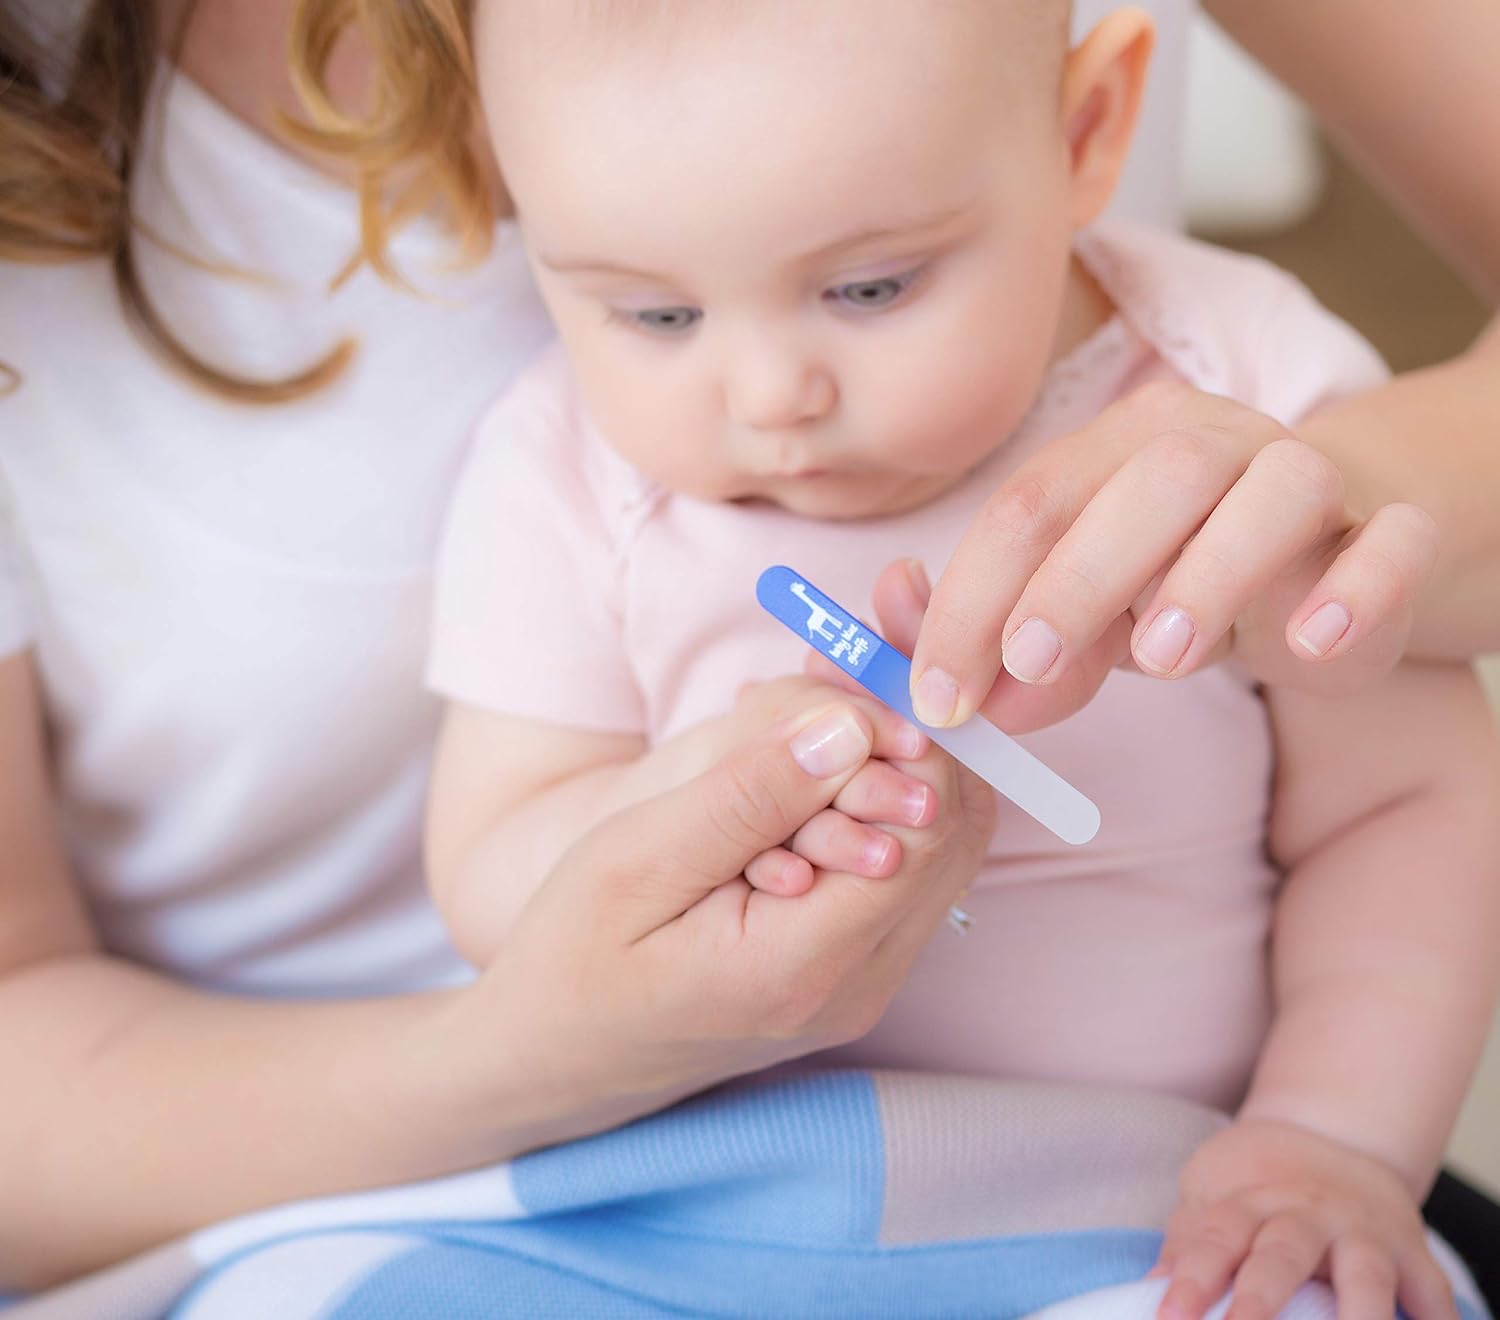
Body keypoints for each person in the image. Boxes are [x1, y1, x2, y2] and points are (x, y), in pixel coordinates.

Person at [1, 0, 1498, 1300]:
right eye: (653, 312)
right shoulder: (567, 476)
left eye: (869, 288)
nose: (771, 393)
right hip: (647, 1193)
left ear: (1087, 127)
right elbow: (498, 855)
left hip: (1151, 1196)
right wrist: (673, 829)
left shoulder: (1234, 383)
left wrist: (1332, 1141)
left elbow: (1410, 808)